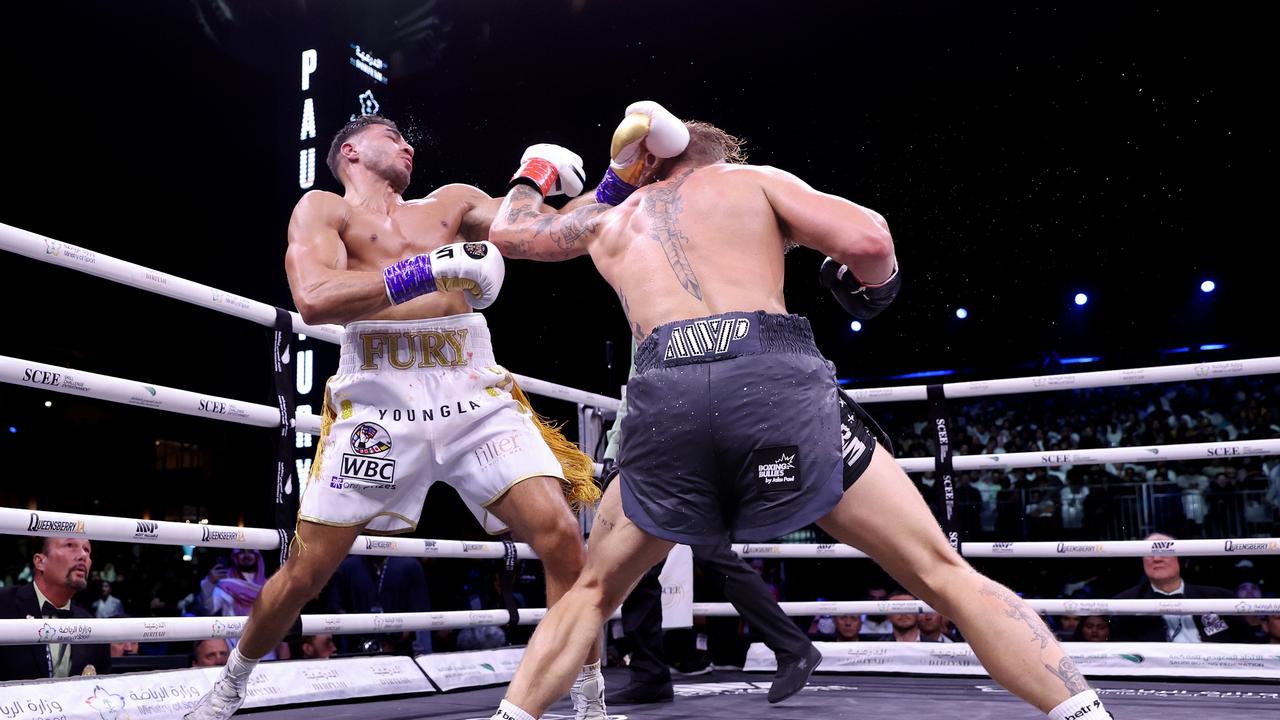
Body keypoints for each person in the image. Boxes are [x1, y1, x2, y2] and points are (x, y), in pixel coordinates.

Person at [484, 100, 1116, 720]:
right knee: (940, 571)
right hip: (767, 378)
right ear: (715, 154)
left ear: (645, 167)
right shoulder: (750, 181)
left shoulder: (608, 218)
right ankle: (1082, 715)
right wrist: (876, 283)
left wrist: (537, 175)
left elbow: (511, 235)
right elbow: (870, 239)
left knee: (593, 592)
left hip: (663, 393)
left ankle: (511, 718)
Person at [186, 115, 604, 720]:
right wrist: (428, 271)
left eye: (409, 140)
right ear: (351, 151)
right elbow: (314, 298)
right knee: (306, 570)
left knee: (564, 538)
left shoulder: (452, 203)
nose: (408, 145)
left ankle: (589, 698)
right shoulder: (325, 210)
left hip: (469, 388)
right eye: (392, 137)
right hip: (377, 400)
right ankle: (229, 686)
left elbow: (541, 234)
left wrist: (580, 180)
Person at [600, 347, 820, 705]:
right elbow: (635, 386)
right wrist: (615, 449)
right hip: (654, 447)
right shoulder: (645, 318)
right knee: (636, 564)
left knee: (706, 552)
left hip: (691, 444)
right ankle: (650, 672)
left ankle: (792, 647)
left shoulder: (701, 309)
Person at [0, 537, 111, 679]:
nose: (83, 555)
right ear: (40, 562)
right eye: (70, 545)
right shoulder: (4, 604)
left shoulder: (93, 627)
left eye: (87, 550)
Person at [1110, 532, 1252, 643]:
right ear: (1142, 561)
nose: (1157, 559)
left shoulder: (1219, 596)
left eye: (1164, 551)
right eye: (1150, 553)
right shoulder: (1125, 604)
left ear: (1178, 557)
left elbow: (1247, 643)